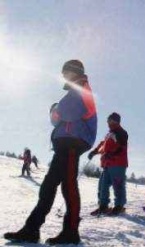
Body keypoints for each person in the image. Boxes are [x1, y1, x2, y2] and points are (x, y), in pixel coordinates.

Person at [4, 60, 97, 245]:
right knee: (48, 186)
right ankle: (31, 229)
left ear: (74, 71)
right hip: (66, 144)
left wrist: (55, 109)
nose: (63, 75)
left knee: (68, 186)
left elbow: (66, 113)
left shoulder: (81, 88)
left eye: (65, 72)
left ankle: (71, 232)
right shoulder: (74, 90)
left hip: (73, 143)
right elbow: (58, 120)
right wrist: (57, 113)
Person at [88, 112, 129, 216]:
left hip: (118, 163)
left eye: (109, 120)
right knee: (102, 185)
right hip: (107, 164)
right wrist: (94, 152)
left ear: (114, 120)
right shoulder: (109, 134)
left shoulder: (121, 132)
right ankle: (103, 206)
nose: (107, 122)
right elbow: (103, 146)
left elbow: (121, 147)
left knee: (118, 184)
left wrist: (111, 154)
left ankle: (119, 206)